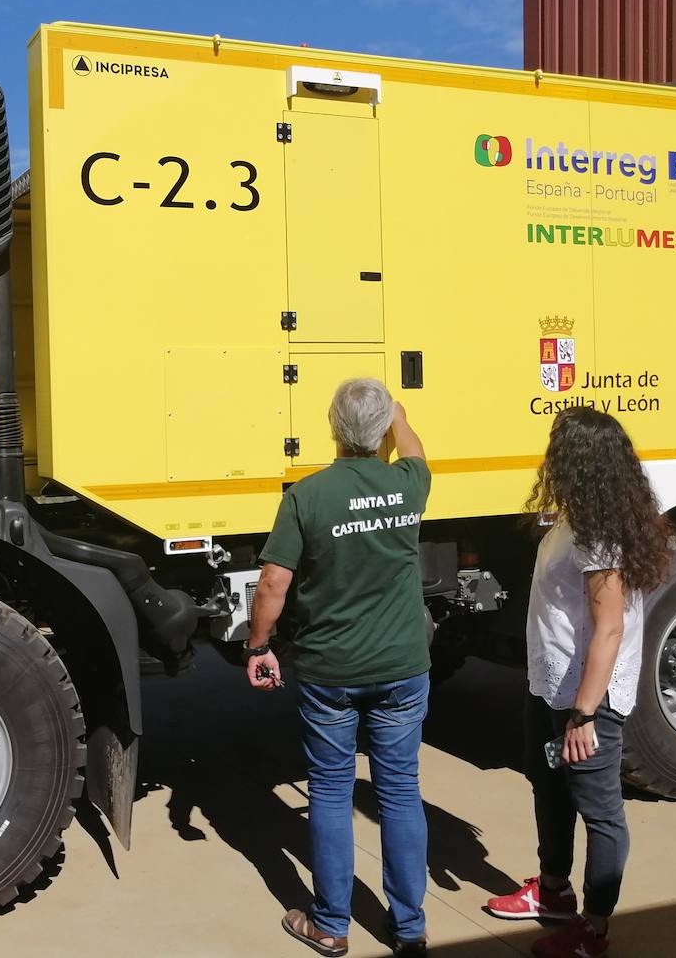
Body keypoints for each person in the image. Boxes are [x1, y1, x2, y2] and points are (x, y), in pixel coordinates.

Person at [247, 378, 431, 958]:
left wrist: (259, 646)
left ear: (332, 428)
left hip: (332, 671)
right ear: (380, 433)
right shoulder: (408, 484)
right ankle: (409, 929)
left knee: (329, 790)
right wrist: (398, 414)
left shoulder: (308, 496)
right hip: (403, 665)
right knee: (400, 791)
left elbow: (275, 581)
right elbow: (417, 451)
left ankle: (330, 925)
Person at [485, 407, 673, 958]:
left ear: (577, 461)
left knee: (601, 812)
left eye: (556, 448)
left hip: (586, 700)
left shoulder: (599, 532)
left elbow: (609, 627)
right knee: (549, 787)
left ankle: (593, 931)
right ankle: (553, 892)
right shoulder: (580, 518)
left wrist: (585, 715)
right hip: (551, 687)